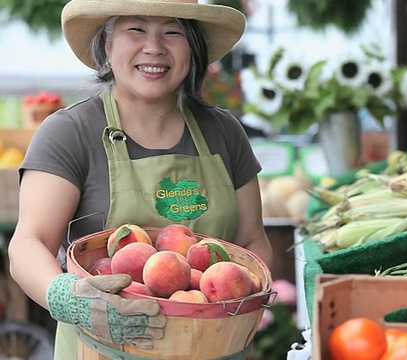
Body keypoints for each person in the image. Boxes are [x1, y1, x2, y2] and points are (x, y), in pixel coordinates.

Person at [7, 0, 274, 358]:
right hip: (101, 350)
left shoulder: (223, 132)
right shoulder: (70, 133)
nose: (154, 47)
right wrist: (70, 298)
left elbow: (253, 242)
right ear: (107, 44)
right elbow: (28, 245)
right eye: (136, 28)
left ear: (192, 48)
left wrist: (235, 302)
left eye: (173, 31)